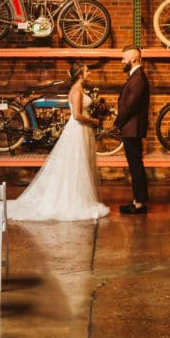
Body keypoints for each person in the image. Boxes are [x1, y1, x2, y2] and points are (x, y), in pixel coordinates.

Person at [9, 62, 110, 221]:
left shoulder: (80, 89)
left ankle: (77, 196)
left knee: (80, 165)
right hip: (78, 129)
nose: (89, 73)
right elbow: (76, 115)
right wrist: (94, 121)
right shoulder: (76, 91)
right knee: (78, 165)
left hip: (82, 130)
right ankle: (76, 201)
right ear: (80, 74)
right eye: (87, 71)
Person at [114, 45, 150, 214]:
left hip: (132, 129)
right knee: (136, 166)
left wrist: (117, 123)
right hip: (132, 128)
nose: (122, 62)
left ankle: (139, 204)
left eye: (124, 58)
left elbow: (129, 107)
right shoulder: (136, 76)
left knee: (135, 166)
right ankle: (139, 201)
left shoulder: (138, 78)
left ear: (134, 59)